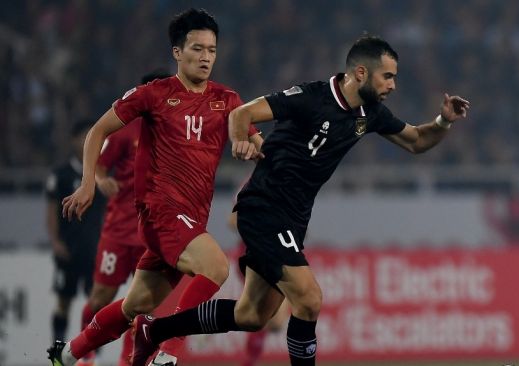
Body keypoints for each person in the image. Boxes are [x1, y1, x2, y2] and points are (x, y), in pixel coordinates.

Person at [130, 35, 470, 366]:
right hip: (264, 206)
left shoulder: (372, 113)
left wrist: (443, 121)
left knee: (251, 315)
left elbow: (417, 141)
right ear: (361, 73)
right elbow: (240, 115)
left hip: (293, 218)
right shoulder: (310, 96)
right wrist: (239, 142)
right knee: (309, 299)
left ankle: (154, 330)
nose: (393, 85)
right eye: (388, 76)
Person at [47, 8, 262, 366]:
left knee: (136, 305)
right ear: (177, 52)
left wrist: (248, 145)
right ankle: (168, 353)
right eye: (197, 48)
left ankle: (68, 354)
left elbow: (255, 142)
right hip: (160, 212)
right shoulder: (154, 94)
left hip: (192, 220)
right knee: (217, 268)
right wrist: (89, 183)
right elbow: (98, 131)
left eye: (212, 49)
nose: (206, 57)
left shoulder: (227, 100)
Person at [76, 70, 171, 366]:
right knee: (102, 295)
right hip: (118, 229)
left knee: (140, 303)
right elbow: (101, 165)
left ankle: (127, 360)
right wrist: (100, 180)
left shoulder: (175, 130)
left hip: (152, 232)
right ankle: (85, 354)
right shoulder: (125, 129)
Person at [45, 120, 105, 344]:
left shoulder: (103, 172)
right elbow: (51, 211)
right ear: (74, 140)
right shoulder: (61, 174)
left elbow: (111, 209)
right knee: (63, 301)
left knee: (96, 302)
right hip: (69, 249)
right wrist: (55, 242)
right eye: (84, 136)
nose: (87, 140)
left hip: (95, 249)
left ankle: (90, 353)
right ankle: (57, 351)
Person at [227, 186, 291, 366]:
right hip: (253, 256)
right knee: (264, 316)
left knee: (270, 321)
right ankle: (207, 322)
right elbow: (232, 221)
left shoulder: (287, 178)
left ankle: (209, 322)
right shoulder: (250, 185)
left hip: (278, 254)